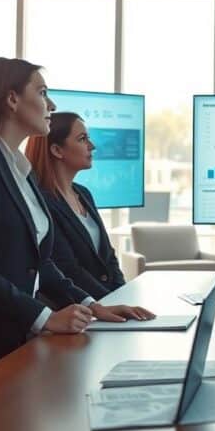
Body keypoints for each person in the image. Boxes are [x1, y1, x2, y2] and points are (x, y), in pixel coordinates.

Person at [0, 58, 154, 394]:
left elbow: (40, 262)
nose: (51, 105)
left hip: (8, 337)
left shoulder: (18, 169)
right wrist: (44, 316)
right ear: (11, 99)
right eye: (42, 92)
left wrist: (91, 306)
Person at [26, 112, 126, 300]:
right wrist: (106, 304)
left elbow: (109, 257)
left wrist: (122, 296)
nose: (92, 146)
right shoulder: (40, 200)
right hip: (76, 309)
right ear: (57, 150)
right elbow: (68, 268)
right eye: (82, 139)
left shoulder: (83, 193)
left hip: (106, 306)